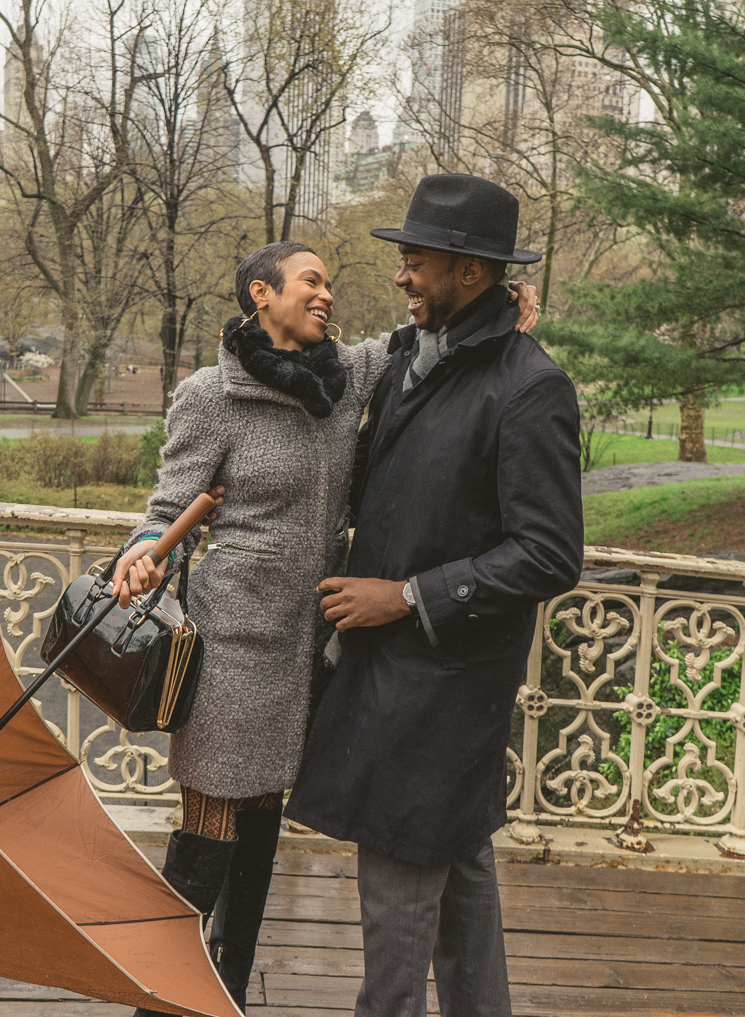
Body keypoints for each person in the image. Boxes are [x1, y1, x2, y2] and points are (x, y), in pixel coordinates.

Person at [110, 240, 539, 1012]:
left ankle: (228, 991)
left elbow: (430, 329)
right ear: (259, 294)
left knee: (263, 819)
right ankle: (160, 997)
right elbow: (167, 510)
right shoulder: (212, 394)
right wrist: (141, 554)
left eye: (329, 285)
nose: (326, 295)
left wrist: (508, 306)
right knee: (209, 824)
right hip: (229, 646)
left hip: (306, 649)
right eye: (311, 281)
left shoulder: (346, 380)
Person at [285, 173, 587, 1017]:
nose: (400, 276)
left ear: (471, 272)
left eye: (416, 262)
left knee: (398, 893)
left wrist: (410, 595)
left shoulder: (531, 388)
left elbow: (550, 553)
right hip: (391, 677)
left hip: (444, 690)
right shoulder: (408, 357)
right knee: (458, 877)